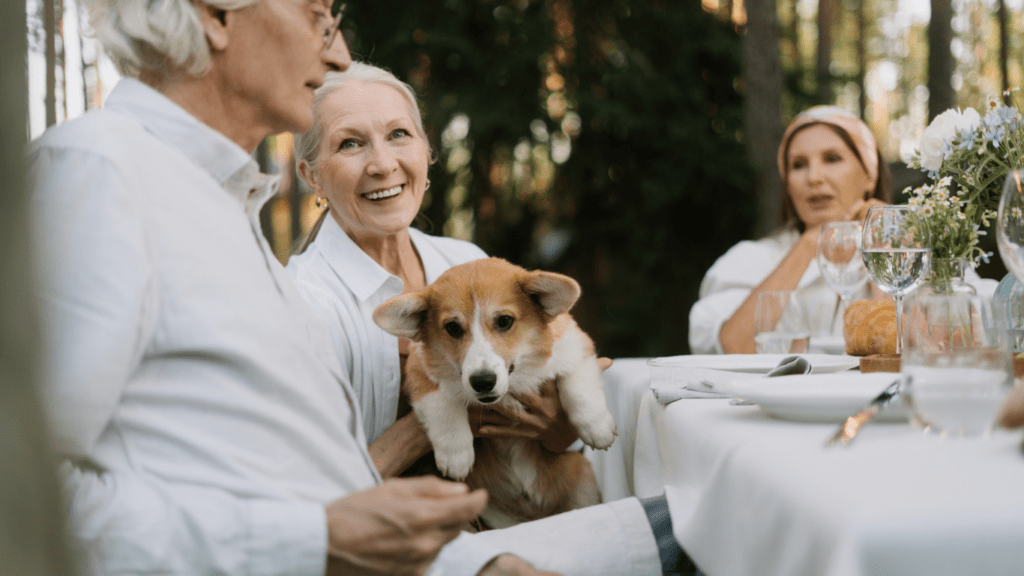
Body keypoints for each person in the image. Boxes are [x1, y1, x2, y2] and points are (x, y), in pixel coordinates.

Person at [28, 1, 678, 575]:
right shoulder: (100, 172)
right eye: (318, 15)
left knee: (720, 513)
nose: (337, 51)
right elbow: (27, 489)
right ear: (216, 14)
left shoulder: (224, 213)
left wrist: (479, 566)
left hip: (448, 557)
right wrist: (316, 539)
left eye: (400, 133)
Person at [286, 63, 580, 479]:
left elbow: (559, 439)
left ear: (426, 152)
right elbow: (305, 493)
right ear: (311, 176)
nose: (383, 164)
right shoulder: (301, 302)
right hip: (392, 536)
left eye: (398, 135)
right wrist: (430, 425)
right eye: (351, 144)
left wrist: (558, 426)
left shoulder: (466, 262)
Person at [689, 106, 892, 355]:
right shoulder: (752, 259)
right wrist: (809, 245)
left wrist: (885, 254)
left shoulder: (910, 256)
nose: (813, 177)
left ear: (869, 175)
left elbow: (911, 351)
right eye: (798, 165)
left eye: (832, 159)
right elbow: (734, 347)